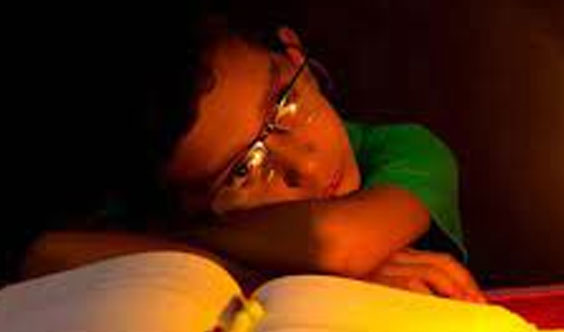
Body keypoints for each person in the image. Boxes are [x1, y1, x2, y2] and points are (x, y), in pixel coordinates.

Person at [20, 14, 484, 302]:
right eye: (243, 170)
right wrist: (256, 276)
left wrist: (181, 241)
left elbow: (332, 242)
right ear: (187, 201)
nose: (305, 166)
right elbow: (44, 253)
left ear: (293, 53)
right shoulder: (185, 212)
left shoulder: (404, 149)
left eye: (285, 102)